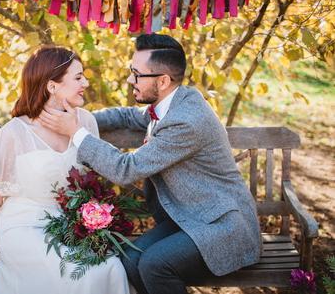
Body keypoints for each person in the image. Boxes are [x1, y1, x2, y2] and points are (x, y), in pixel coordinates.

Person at [39, 34, 261, 294]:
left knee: (155, 265)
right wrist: (79, 120)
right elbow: (127, 115)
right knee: (131, 260)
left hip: (224, 226)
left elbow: (125, 169)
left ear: (163, 81)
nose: (130, 80)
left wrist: (76, 133)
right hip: (191, 216)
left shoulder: (186, 121)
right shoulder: (172, 102)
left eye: (136, 74)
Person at [0, 46, 131, 294]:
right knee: (75, 270)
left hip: (69, 226)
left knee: (110, 266)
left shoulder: (86, 122)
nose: (86, 83)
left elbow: (95, 177)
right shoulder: (14, 132)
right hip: (23, 227)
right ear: (52, 86)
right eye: (78, 77)